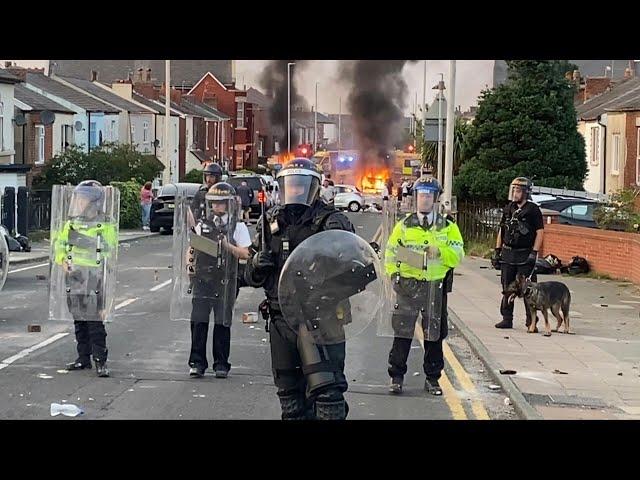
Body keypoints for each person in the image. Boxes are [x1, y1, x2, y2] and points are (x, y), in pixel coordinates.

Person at [244, 158, 355, 420]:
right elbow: (249, 276)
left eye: (301, 185)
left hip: (322, 319)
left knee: (328, 398)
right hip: (282, 319)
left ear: (315, 187)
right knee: (290, 402)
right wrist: (257, 266)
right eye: (290, 185)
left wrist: (327, 274)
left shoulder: (331, 222)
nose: (295, 191)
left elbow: (355, 269)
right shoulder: (270, 223)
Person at [384, 176, 464, 395]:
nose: (425, 200)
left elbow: (458, 255)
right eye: (421, 195)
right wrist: (393, 276)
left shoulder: (448, 227)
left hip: (434, 287)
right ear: (415, 198)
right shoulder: (404, 225)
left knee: (434, 335)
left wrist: (440, 252)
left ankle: (432, 379)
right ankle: (396, 377)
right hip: (408, 287)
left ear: (435, 199)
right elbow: (391, 253)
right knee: (402, 333)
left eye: (429, 196)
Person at [51, 180, 118, 378]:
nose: (78, 203)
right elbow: (60, 246)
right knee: (78, 318)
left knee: (94, 319)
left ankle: (100, 360)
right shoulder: (72, 223)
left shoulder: (104, 224)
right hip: (74, 276)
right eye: (77, 199)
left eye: (81, 199)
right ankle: (83, 357)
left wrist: (82, 240)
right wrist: (64, 262)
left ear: (93, 202)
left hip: (94, 277)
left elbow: (109, 249)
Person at [186, 182, 251, 378]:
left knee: (222, 323)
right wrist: (189, 269)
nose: (217, 207)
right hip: (202, 279)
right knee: (198, 322)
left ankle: (221, 363)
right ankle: (197, 362)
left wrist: (226, 246)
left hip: (225, 280)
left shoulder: (237, 227)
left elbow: (246, 253)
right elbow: (192, 248)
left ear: (229, 204)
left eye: (222, 203)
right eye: (214, 203)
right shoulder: (202, 224)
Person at [492, 177, 544, 330]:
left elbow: (540, 232)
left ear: (526, 192)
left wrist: (534, 253)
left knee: (527, 289)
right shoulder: (508, 208)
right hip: (508, 254)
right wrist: (497, 250)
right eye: (513, 190)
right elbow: (502, 229)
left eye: (518, 190)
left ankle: (531, 320)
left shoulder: (533, 210)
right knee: (507, 287)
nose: (515, 193)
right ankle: (507, 318)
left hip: (525, 254)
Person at [189, 163, 223, 227]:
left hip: (219, 226)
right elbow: (193, 209)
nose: (208, 180)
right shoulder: (201, 192)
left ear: (218, 178)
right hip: (202, 226)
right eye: (207, 176)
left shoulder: (223, 192)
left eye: (211, 177)